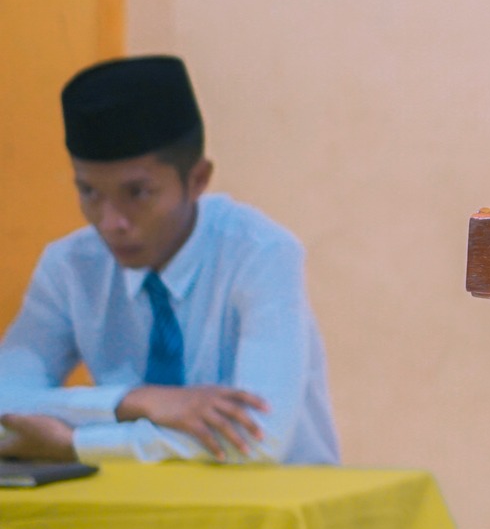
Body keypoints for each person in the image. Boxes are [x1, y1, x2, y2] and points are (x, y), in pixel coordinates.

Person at [0, 55, 340, 466]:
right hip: (137, 503)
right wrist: (135, 401)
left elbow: (257, 441)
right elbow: (5, 399)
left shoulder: (261, 253)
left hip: (280, 501)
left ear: (197, 180)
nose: (110, 222)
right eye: (89, 192)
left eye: (137, 193)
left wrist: (76, 445)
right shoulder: (70, 266)